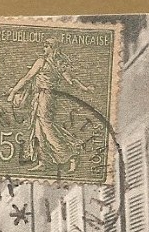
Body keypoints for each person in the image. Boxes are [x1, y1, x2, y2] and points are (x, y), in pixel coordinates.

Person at [7, 36, 94, 174]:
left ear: (53, 48)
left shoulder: (45, 62)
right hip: (40, 96)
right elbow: (71, 81)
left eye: (47, 46)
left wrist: (13, 93)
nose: (44, 48)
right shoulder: (56, 63)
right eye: (44, 46)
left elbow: (28, 77)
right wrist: (85, 88)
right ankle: (43, 161)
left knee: (47, 127)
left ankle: (71, 154)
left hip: (45, 97)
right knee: (37, 129)